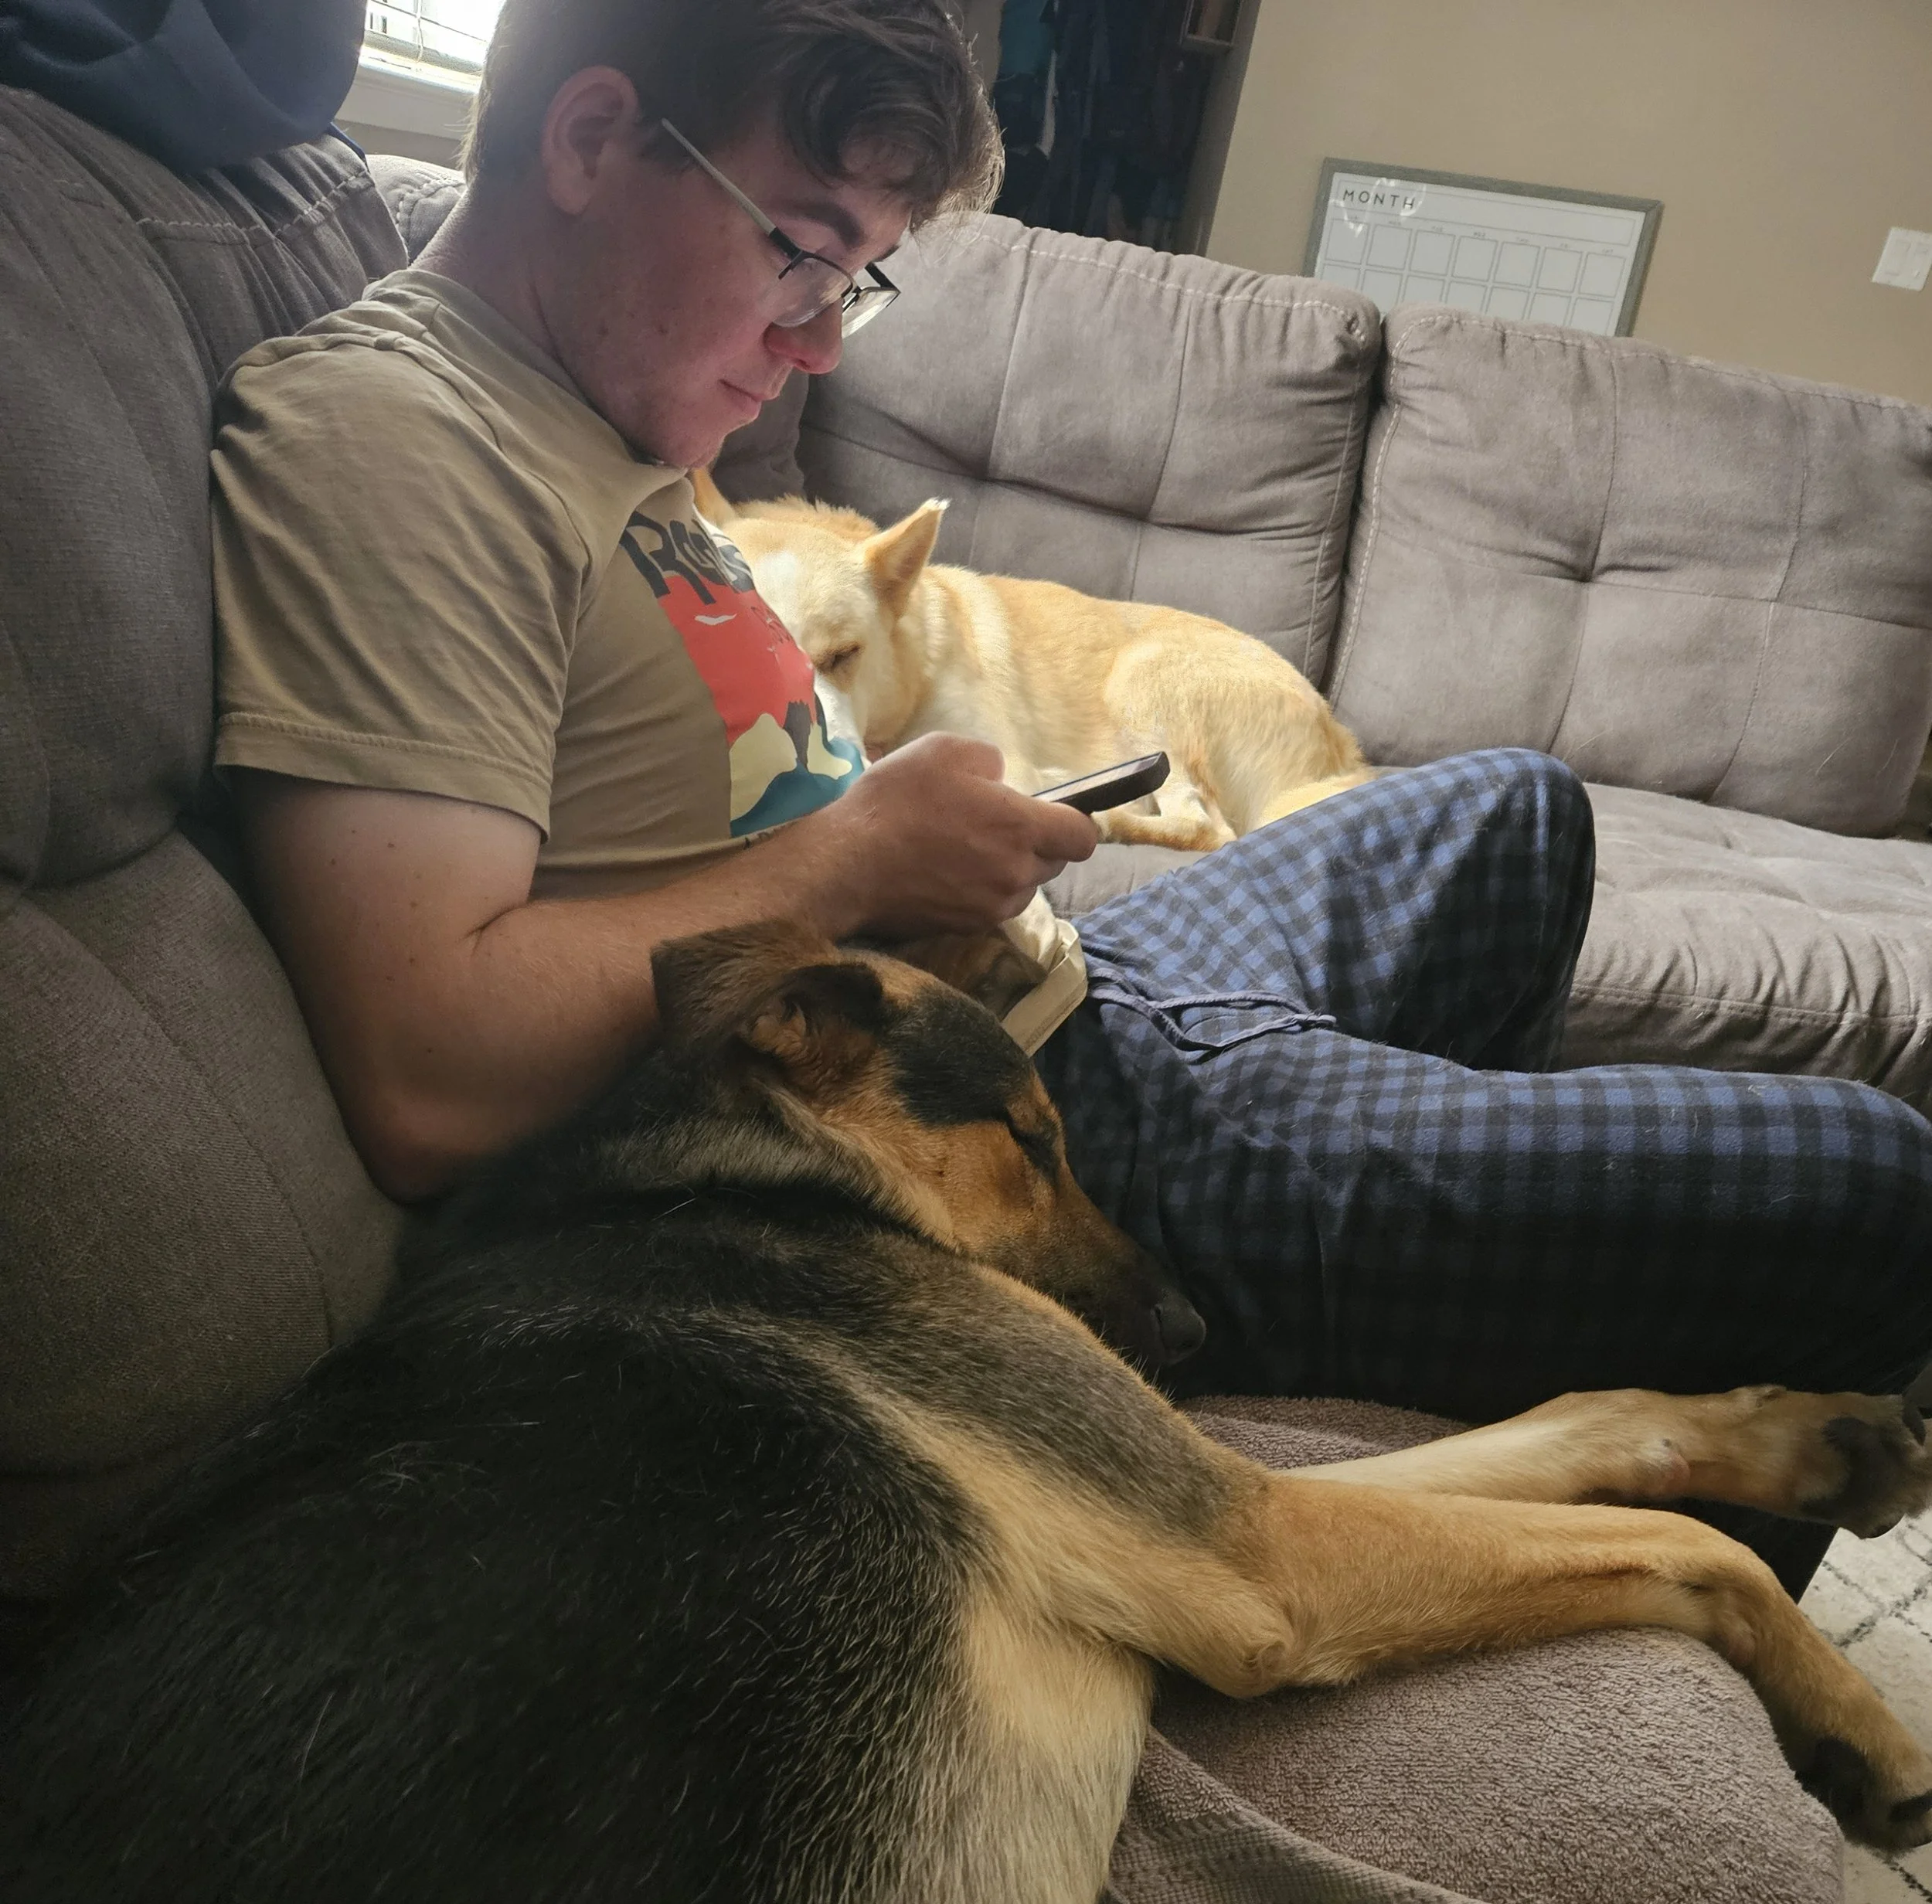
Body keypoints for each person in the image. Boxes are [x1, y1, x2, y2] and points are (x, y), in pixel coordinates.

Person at [212, 0, 1932, 1595]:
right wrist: (860, 848)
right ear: (591, 140)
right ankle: (1436, 1384)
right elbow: (427, 1068)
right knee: (1869, 1182)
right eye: (803, 252)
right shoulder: (397, 445)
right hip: (1015, 1149)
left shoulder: (605, 412)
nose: (815, 344)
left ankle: (1405, 1256)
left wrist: (884, 832)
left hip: (1060, 1002)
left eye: (855, 283)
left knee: (1508, 810)